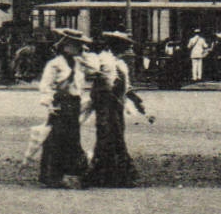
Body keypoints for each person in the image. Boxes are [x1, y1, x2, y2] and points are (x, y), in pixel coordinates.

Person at [85, 32, 149, 188]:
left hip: (117, 105)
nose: (126, 48)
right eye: (123, 45)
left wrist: (136, 100)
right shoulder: (101, 59)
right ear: (114, 45)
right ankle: (108, 176)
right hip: (105, 103)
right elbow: (91, 76)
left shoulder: (121, 64)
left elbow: (126, 87)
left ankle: (113, 175)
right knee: (108, 135)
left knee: (117, 135)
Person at [36, 29, 91, 189]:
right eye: (76, 45)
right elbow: (46, 86)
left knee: (73, 138)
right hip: (60, 104)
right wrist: (50, 104)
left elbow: (94, 70)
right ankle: (52, 176)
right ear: (65, 46)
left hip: (74, 104)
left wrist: (85, 55)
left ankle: (71, 175)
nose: (80, 48)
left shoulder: (80, 63)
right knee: (56, 139)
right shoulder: (55, 64)